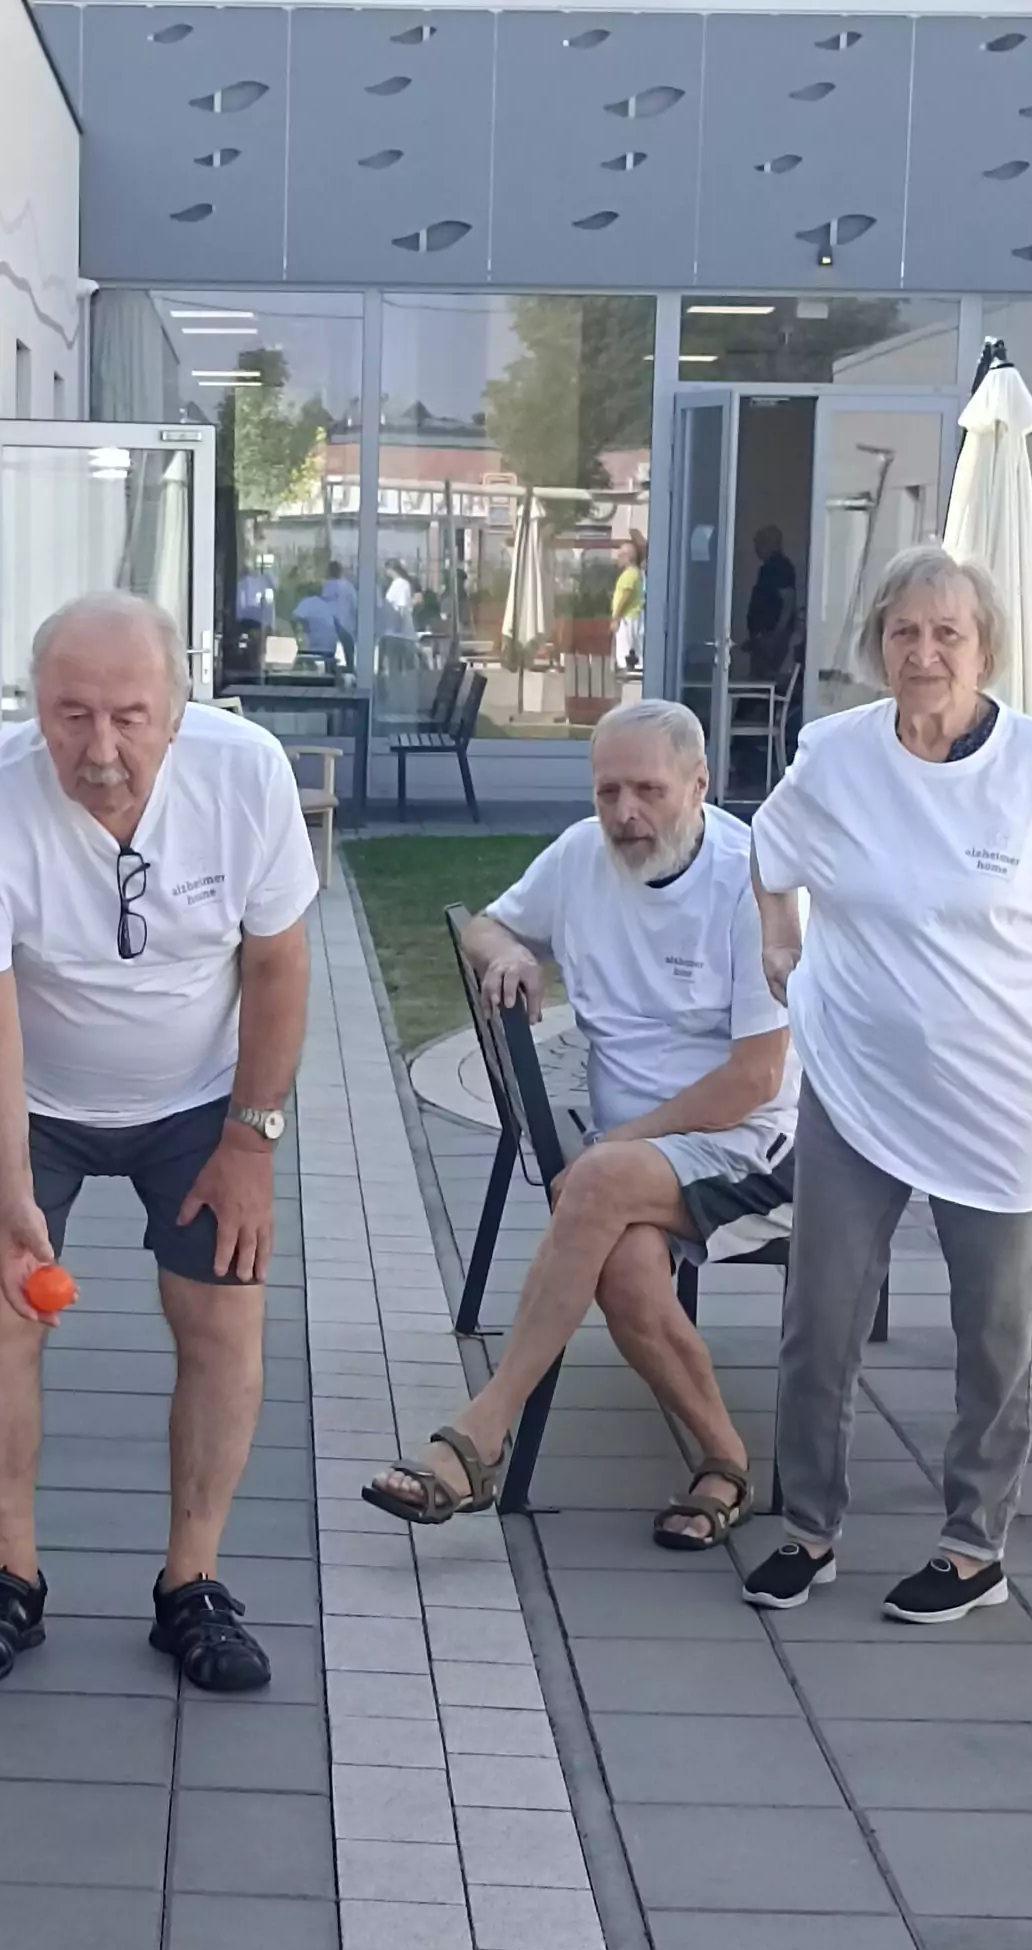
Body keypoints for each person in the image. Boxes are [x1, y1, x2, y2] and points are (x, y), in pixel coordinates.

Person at [0, 593, 317, 1690]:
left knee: (221, 1320)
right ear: (33, 708)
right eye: (70, 716)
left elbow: (278, 965)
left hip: (201, 1099)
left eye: (129, 718)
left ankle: (192, 1584)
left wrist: (252, 1141)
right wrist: (10, 1193)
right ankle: (8, 1578)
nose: (100, 750)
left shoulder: (245, 774)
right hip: (31, 1096)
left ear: (177, 712)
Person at [745, 546, 1032, 1623]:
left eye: (948, 633)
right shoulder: (835, 755)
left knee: (993, 1332)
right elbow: (770, 850)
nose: (924, 652)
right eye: (903, 631)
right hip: (856, 1081)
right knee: (819, 1316)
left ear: (984, 649)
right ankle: (808, 1529)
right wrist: (778, 943)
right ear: (877, 645)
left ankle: (971, 1545)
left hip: (1001, 1093)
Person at [364, 699, 797, 1547]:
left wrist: (611, 1148)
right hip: (638, 1159)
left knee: (595, 1185)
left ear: (700, 785)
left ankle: (481, 1434)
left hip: (754, 1147)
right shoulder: (578, 857)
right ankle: (726, 1462)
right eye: (607, 792)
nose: (625, 813)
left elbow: (757, 1078)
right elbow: (486, 924)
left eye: (648, 791)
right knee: (625, 1267)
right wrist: (507, 951)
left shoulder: (751, 884)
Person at [744, 524, 799, 679]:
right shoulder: (769, 567)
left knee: (765, 681)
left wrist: (776, 635)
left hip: (770, 638)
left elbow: (788, 601)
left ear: (770, 544)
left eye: (759, 542)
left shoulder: (778, 567)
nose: (756, 547)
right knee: (759, 680)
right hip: (764, 637)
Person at [612, 533, 647, 674]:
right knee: (636, 648)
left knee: (624, 648)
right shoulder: (638, 574)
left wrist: (616, 617)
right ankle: (637, 670)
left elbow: (625, 595)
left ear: (628, 557)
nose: (618, 558)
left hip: (626, 617)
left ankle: (626, 673)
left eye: (620, 555)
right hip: (635, 615)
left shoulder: (628, 575)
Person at [319, 560, 358, 672]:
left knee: (329, 649)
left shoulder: (327, 585)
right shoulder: (348, 586)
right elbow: (355, 604)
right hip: (346, 622)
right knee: (348, 648)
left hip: (330, 621)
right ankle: (350, 669)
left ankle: (329, 671)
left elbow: (323, 603)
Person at [292, 586, 341, 667]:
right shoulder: (329, 605)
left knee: (299, 667)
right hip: (330, 651)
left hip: (312, 650)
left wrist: (299, 635)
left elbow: (296, 620)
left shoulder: (307, 602)